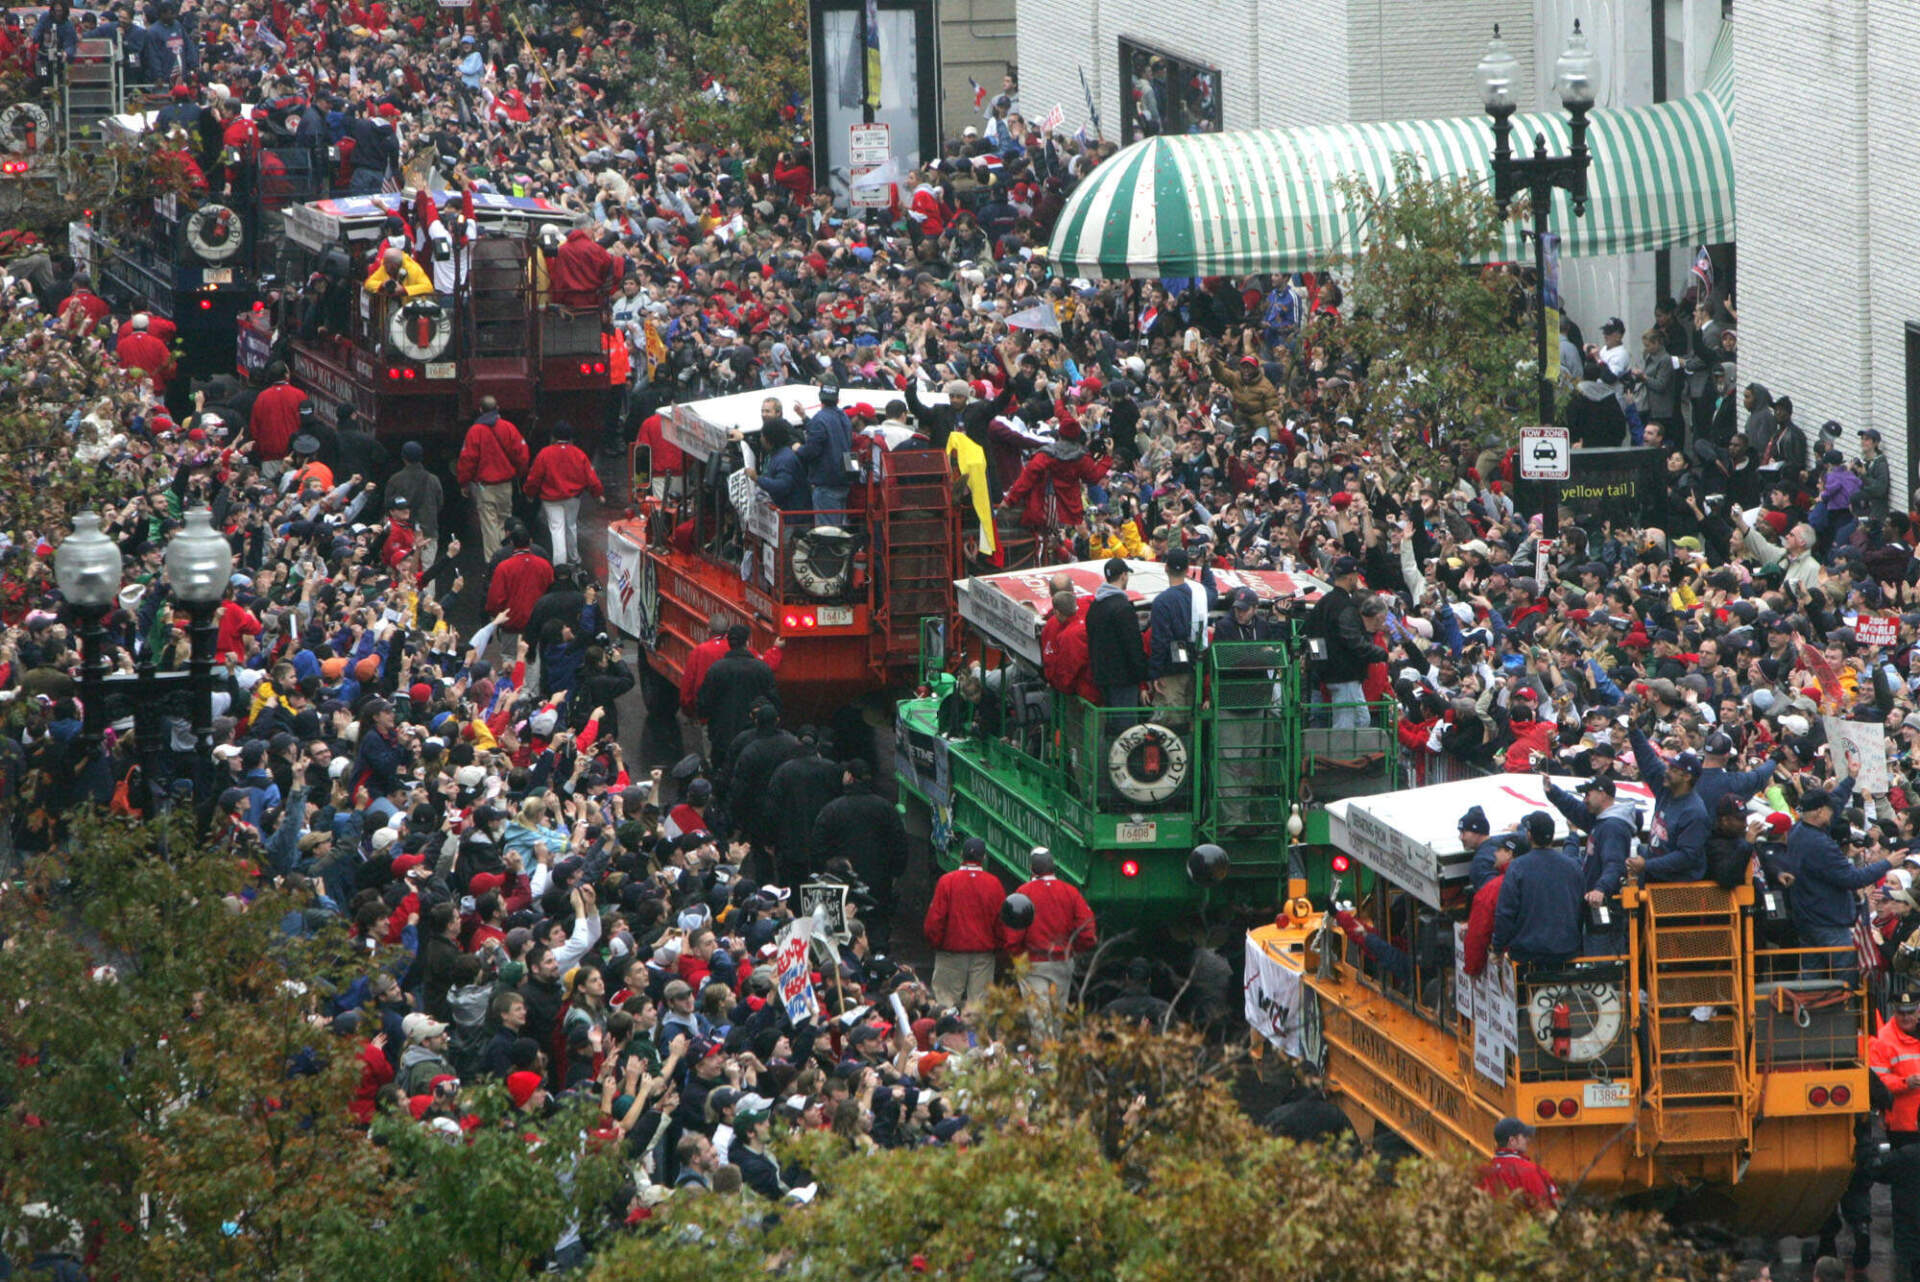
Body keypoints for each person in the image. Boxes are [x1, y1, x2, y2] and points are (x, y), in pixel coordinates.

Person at [1787, 785, 1888, 980]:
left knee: (1811, 976)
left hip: (1808, 916)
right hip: (1828, 921)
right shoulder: (1819, 843)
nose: (1833, 813)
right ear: (1819, 811)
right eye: (1830, 810)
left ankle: (1811, 1006)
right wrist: (1887, 863)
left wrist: (1850, 779)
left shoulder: (1799, 829)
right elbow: (1853, 878)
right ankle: (1847, 1007)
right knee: (1846, 975)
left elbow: (1834, 803)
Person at [809, 758, 906, 951]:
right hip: (879, 881)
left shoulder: (832, 810)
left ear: (850, 778)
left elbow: (818, 846)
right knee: (877, 927)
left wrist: (823, 872)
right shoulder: (886, 809)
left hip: (841, 883)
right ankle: (879, 963)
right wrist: (896, 872)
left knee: (841, 930)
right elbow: (899, 844)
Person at [1003, 847, 1095, 1028]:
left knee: (1039, 1019)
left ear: (1032, 868)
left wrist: (1016, 955)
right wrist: (1075, 949)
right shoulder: (1070, 892)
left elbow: (1014, 932)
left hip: (1033, 964)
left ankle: (1043, 1054)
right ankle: (1056, 1052)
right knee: (1057, 1016)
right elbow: (1087, 931)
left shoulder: (1024, 892)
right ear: (1053, 867)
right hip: (1061, 962)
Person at [1490, 811, 1584, 968]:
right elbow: (1581, 907)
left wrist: (1498, 948)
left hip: (1527, 956)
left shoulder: (1517, 867)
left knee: (1527, 992)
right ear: (1552, 835)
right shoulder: (1573, 866)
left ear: (1529, 835)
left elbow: (1505, 913)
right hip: (1567, 953)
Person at [924, 837, 1005, 1011]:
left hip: (951, 953)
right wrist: (997, 946)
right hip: (983, 954)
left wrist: (937, 944)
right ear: (983, 858)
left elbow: (935, 919)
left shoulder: (947, 881)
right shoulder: (994, 884)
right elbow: (1001, 922)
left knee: (945, 1004)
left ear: (961, 855)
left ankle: (945, 1038)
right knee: (978, 1009)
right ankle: (975, 1038)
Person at [1872, 986, 1920, 1282]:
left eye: (1910, 1012)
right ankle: (1909, 1251)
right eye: (1900, 1012)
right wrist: (1905, 1082)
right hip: (1904, 1128)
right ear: (1893, 1012)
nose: (1906, 1017)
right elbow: (1877, 1082)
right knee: (1906, 1194)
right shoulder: (1884, 1041)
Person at [1307, 555, 1386, 729]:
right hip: (1345, 675)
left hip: (1331, 675)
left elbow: (1312, 635)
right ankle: (1342, 757)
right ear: (1352, 577)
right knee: (1347, 725)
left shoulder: (1322, 603)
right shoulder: (1345, 606)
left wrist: (1320, 663)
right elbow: (1353, 642)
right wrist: (1383, 654)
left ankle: (1344, 756)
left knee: (1359, 720)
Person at [1624, 728, 1709, 883]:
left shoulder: (1694, 812)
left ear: (1687, 777)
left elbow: (1685, 857)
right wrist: (1634, 729)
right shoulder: (1667, 789)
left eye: (1673, 769)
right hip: (1655, 873)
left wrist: (1647, 865)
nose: (1666, 771)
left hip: (1677, 887)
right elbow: (1648, 761)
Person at [1145, 546, 1217, 721]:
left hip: (1170, 672)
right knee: (1191, 725)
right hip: (1194, 667)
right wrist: (1205, 565)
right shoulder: (1200, 594)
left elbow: (1160, 641)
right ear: (1187, 570)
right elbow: (1213, 591)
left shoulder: (1162, 601)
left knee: (1171, 725)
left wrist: (1155, 673)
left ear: (1165, 567)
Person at [457, 397, 529, 559]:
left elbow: (467, 460)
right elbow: (522, 454)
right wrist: (519, 473)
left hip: (485, 487)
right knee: (505, 522)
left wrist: (464, 483)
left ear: (480, 410)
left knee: (489, 525)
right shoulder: (509, 428)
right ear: (498, 407)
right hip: (505, 485)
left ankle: (494, 561)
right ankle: (508, 556)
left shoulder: (475, 431)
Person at [523, 421, 603, 568]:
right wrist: (597, 494)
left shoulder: (544, 454)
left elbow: (534, 477)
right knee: (571, 526)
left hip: (551, 499)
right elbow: (590, 477)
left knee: (556, 528)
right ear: (571, 438)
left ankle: (560, 564)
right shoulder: (578, 453)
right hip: (573, 498)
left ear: (553, 437)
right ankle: (574, 558)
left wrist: (530, 493)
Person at [697, 625, 778, 767]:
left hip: (722, 738)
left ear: (729, 642)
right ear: (747, 642)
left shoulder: (716, 670)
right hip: (754, 738)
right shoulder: (762, 669)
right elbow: (774, 702)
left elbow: (703, 704)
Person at [1085, 557, 1148, 710]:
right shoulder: (1123, 607)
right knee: (1125, 728)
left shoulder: (1095, 605)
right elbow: (1133, 645)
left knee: (1112, 725)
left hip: (1102, 677)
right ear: (1123, 576)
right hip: (1123, 680)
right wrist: (1143, 677)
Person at [796, 383, 855, 521]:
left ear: (820, 399)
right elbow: (825, 431)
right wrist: (804, 417)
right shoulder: (843, 417)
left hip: (826, 485)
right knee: (840, 533)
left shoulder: (820, 418)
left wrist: (799, 449)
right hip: (843, 483)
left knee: (827, 535)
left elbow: (811, 450)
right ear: (837, 399)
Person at [1477, 1116, 1560, 1210]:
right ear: (1512, 1141)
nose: (1527, 1140)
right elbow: (1547, 1207)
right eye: (1524, 1136)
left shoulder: (1481, 1172)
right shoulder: (1532, 1171)